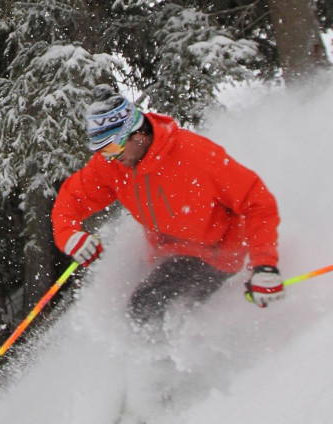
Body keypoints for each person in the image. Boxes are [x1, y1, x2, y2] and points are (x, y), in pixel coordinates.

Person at [51, 84, 283, 335]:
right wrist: (69, 234)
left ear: (136, 135)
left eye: (110, 148)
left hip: (214, 254)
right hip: (164, 252)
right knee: (133, 303)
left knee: (144, 308)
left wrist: (264, 265)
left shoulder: (195, 154)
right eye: (100, 151)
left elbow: (257, 202)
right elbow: (71, 199)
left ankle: (176, 369)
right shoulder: (114, 165)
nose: (107, 158)